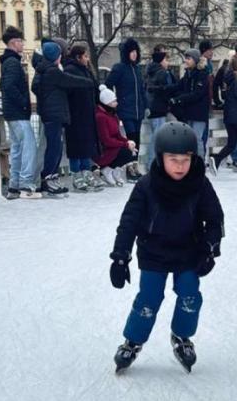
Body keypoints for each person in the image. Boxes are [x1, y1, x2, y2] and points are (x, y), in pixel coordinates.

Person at [109, 121, 225, 374]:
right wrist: (120, 257)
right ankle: (133, 341)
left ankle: (182, 337)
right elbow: (129, 222)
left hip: (188, 251)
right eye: (173, 159)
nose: (180, 166)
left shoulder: (200, 184)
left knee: (190, 296)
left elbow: (215, 219)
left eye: (185, 159)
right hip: (154, 251)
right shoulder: (146, 186)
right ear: (160, 158)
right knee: (149, 299)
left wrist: (209, 248)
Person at [30, 40, 94, 196]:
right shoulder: (52, 71)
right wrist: (88, 82)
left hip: (54, 114)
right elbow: (69, 80)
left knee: (56, 148)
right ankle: (47, 178)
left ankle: (51, 176)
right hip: (53, 115)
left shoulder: (46, 70)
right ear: (55, 57)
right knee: (54, 148)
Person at [0, 26, 40, 199]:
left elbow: (4, 85)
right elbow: (7, 86)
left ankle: (14, 185)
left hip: (11, 112)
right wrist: (24, 103)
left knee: (17, 148)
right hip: (17, 112)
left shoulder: (7, 62)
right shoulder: (13, 63)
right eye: (21, 41)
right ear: (14, 42)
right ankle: (25, 184)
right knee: (29, 146)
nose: (23, 44)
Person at [64, 44, 102, 191]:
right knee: (76, 146)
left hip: (87, 113)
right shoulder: (70, 71)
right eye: (85, 56)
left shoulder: (86, 71)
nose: (87, 59)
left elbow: (94, 88)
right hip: (75, 114)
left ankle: (86, 172)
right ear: (78, 57)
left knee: (87, 144)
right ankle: (76, 174)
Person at [171, 49, 213, 161]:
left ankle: (199, 162)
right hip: (188, 111)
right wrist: (164, 90)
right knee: (189, 139)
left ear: (195, 60)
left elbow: (197, 94)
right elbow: (178, 87)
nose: (186, 61)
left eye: (189, 58)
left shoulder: (202, 74)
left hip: (199, 112)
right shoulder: (187, 74)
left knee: (197, 138)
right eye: (186, 58)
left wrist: (179, 99)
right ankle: (191, 161)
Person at [105, 38, 146, 149]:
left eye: (136, 51)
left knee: (137, 139)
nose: (134, 54)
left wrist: (145, 105)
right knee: (131, 138)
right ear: (126, 53)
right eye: (131, 52)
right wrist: (114, 102)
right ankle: (130, 161)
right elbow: (108, 84)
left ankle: (135, 162)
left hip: (138, 111)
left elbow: (141, 89)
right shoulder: (119, 68)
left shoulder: (137, 69)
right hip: (126, 109)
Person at [95, 86, 137, 185]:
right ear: (107, 103)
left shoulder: (113, 115)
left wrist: (127, 142)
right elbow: (106, 140)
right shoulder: (100, 117)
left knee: (131, 150)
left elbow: (117, 135)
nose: (116, 103)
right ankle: (107, 169)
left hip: (112, 145)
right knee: (126, 151)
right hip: (104, 149)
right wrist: (125, 145)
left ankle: (114, 170)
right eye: (114, 101)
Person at [144, 49, 177, 165]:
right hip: (160, 108)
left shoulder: (149, 72)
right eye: (166, 59)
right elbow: (167, 90)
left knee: (156, 136)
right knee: (158, 137)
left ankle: (154, 162)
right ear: (161, 61)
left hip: (151, 108)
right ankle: (153, 163)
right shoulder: (163, 73)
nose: (167, 62)